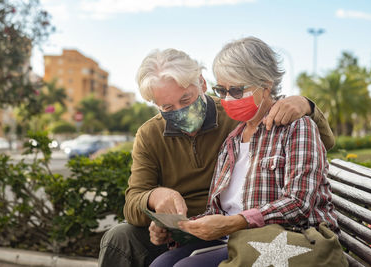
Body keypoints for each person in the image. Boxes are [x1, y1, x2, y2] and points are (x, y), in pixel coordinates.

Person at [98, 47, 335, 267]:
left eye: (186, 99)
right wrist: (155, 199)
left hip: (242, 228)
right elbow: (132, 202)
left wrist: (307, 106)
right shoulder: (152, 134)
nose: (180, 111)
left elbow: (316, 149)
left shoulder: (238, 115)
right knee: (119, 239)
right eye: (167, 107)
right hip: (197, 227)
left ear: (201, 83)